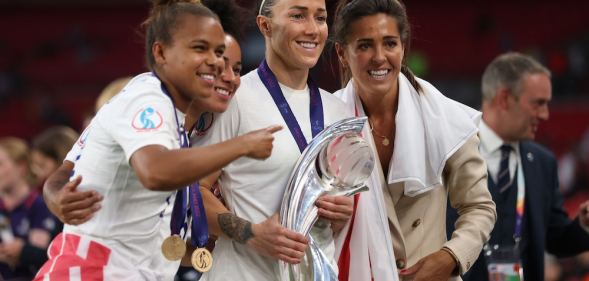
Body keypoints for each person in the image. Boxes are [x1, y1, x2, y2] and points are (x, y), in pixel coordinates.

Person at [35, 1, 280, 280]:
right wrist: (242, 145)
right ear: (162, 52)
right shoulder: (148, 97)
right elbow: (155, 171)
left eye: (232, 65)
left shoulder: (184, 125)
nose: (222, 70)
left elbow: (68, 169)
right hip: (94, 270)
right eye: (202, 50)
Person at [331, 1, 497, 280]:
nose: (379, 57)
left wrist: (451, 256)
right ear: (342, 53)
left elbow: (479, 207)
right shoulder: (326, 122)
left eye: (390, 43)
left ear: (403, 47)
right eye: (364, 45)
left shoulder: (447, 118)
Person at [194, 0, 354, 280]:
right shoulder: (235, 99)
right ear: (265, 25)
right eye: (297, 16)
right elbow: (193, 193)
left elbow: (331, 223)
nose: (313, 29)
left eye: (320, 17)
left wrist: (339, 214)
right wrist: (251, 235)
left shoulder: (338, 112)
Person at [447, 52, 589, 281]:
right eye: (538, 104)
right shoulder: (449, 151)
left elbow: (556, 238)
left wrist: (583, 225)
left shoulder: (543, 162)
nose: (545, 115)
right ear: (503, 98)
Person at [0, 137, 59, 280]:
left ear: (21, 166)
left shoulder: (41, 206)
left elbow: (44, 257)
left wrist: (23, 252)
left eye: (0, 164)